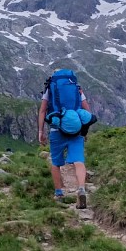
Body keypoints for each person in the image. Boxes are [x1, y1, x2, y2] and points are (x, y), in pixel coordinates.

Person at [38, 81, 91, 209]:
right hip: (76, 130)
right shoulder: (76, 88)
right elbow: (87, 110)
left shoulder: (50, 88)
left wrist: (40, 131)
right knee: (79, 161)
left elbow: (42, 111)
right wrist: (85, 130)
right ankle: (81, 189)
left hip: (56, 130)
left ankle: (59, 193)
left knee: (56, 163)